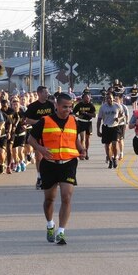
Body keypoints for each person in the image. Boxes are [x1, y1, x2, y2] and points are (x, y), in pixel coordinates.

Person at [28, 93, 86, 245]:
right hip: (49, 164)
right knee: (49, 199)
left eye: (70, 107)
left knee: (66, 197)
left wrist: (82, 149)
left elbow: (75, 139)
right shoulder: (44, 121)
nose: (68, 109)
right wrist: (40, 149)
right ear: (56, 106)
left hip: (68, 163)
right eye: (64, 106)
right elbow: (30, 139)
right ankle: (50, 225)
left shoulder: (74, 121)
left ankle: (61, 232)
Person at [25, 86, 55, 189]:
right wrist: (40, 122)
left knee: (50, 156)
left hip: (50, 134)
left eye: (47, 92)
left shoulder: (50, 105)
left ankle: (49, 177)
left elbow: (55, 117)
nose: (47, 94)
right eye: (45, 92)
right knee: (39, 157)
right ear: (39, 93)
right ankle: (39, 177)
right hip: (37, 134)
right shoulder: (33, 106)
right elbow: (27, 120)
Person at [96, 93, 124, 169]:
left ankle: (115, 158)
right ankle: (110, 159)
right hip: (106, 127)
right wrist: (98, 131)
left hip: (115, 127)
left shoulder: (117, 106)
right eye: (108, 98)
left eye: (111, 98)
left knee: (114, 144)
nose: (109, 100)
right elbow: (99, 120)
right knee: (107, 146)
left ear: (113, 98)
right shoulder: (103, 107)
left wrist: (119, 119)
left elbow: (122, 115)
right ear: (105, 99)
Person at [72, 92, 96, 160]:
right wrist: (77, 115)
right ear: (83, 98)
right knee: (82, 138)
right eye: (86, 98)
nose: (88, 99)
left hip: (88, 123)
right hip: (81, 122)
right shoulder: (79, 105)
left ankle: (86, 151)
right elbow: (73, 112)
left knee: (87, 139)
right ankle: (82, 153)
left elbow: (94, 115)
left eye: (89, 98)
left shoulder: (91, 105)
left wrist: (86, 113)